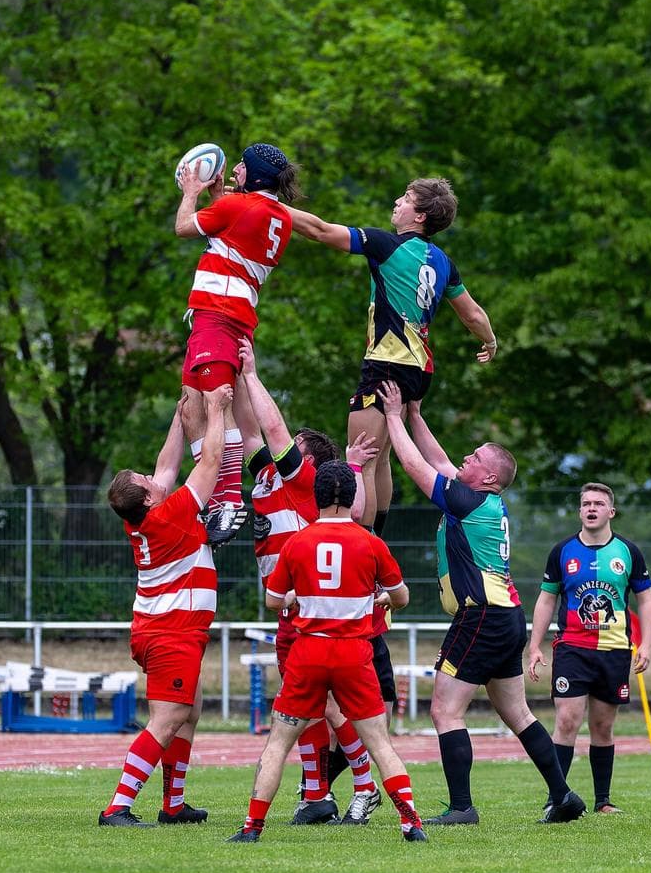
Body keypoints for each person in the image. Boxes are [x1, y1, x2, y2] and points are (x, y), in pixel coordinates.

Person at [375, 380, 584, 824]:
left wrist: (393, 417)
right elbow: (439, 460)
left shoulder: (469, 502)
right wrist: (414, 416)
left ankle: (462, 808)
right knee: (517, 711)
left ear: (488, 477)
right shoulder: (483, 501)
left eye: (475, 459)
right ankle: (563, 796)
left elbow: (417, 466)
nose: (464, 460)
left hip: (482, 615)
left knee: (444, 710)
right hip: (506, 616)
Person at [285, 177, 497, 535]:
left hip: (387, 362)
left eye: (407, 198)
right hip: (419, 368)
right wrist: (490, 342)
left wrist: (264, 206)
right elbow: (472, 314)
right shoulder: (444, 262)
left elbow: (319, 230)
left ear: (420, 216)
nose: (397, 202)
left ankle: (362, 543)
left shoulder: (385, 245)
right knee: (380, 457)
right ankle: (376, 539)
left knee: (362, 456)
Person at [230, 461, 426, 842]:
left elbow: (273, 602)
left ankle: (252, 828)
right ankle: (410, 823)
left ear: (315, 496)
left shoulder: (296, 543)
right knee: (380, 743)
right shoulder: (372, 543)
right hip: (355, 654)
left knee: (279, 742)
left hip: (308, 653)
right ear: (352, 498)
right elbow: (401, 596)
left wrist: (295, 595)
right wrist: (384, 599)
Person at [235, 344, 383, 825]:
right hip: (287, 610)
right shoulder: (267, 479)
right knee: (310, 710)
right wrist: (233, 380)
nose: (282, 452)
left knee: (332, 708)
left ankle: (363, 782)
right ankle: (317, 795)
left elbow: (272, 428)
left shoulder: (303, 482)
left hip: (310, 613)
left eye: (293, 450)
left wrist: (253, 371)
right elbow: (250, 427)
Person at [99, 384, 235, 827]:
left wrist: (178, 421)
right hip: (171, 633)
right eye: (147, 482)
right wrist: (214, 410)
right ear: (149, 498)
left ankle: (173, 805)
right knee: (168, 717)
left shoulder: (142, 516)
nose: (154, 479)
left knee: (189, 713)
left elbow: (166, 464)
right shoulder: (169, 514)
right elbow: (211, 463)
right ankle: (117, 806)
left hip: (165, 629)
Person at [173, 143, 302, 543]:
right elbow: (232, 232)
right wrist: (217, 195)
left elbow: (184, 227)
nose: (236, 170)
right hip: (224, 317)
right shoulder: (276, 215)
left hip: (219, 316)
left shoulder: (238, 208)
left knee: (217, 406)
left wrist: (192, 191)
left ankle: (227, 501)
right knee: (190, 408)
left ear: (257, 176)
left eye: (243, 166)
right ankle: (217, 498)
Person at [526, 484, 651, 816]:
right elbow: (546, 598)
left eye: (599, 503)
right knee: (567, 720)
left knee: (602, 726)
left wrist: (647, 643)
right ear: (580, 511)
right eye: (586, 503)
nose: (591, 508)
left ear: (611, 512)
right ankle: (557, 797)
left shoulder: (628, 551)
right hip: (572, 648)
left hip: (614, 651)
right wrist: (534, 645)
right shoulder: (562, 551)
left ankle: (603, 801)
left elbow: (646, 597)